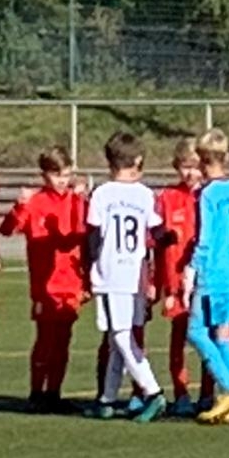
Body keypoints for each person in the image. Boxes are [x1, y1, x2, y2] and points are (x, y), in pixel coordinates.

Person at [84, 132, 167, 423]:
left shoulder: (101, 194)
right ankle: (107, 399)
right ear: (138, 160)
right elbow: (157, 231)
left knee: (120, 335)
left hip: (111, 273)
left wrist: (89, 267)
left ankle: (153, 392)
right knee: (116, 337)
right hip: (135, 273)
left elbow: (93, 235)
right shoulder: (145, 194)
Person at [0, 146, 88, 413]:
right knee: (44, 340)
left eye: (66, 174)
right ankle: (36, 392)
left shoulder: (76, 200)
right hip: (44, 286)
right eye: (56, 175)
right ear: (44, 175)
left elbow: (84, 236)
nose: (62, 180)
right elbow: (7, 229)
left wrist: (87, 281)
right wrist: (19, 205)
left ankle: (54, 393)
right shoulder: (36, 202)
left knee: (63, 341)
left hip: (71, 283)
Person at [181, 130, 229, 427]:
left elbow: (205, 238)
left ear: (201, 160)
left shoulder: (208, 194)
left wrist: (192, 269)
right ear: (227, 157)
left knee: (196, 331)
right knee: (224, 333)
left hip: (214, 271)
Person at [155, 137, 209, 417]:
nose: (190, 173)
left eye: (196, 166)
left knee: (207, 338)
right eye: (185, 166)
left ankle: (208, 394)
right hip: (176, 282)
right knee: (179, 338)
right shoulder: (167, 198)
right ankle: (181, 392)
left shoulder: (209, 197)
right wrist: (157, 282)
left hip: (205, 280)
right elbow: (155, 241)